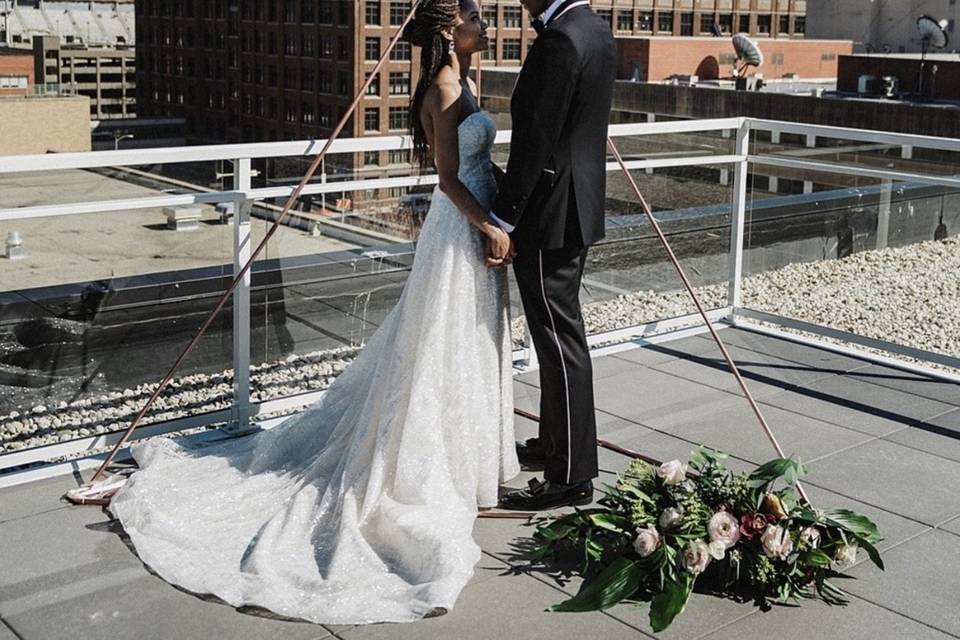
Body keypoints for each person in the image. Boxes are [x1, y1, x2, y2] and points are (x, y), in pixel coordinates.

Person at [108, 0, 518, 624]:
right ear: (448, 31)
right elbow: (446, 180)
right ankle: (424, 472)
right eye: (475, 17)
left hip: (482, 220)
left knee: (469, 343)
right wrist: (488, 224)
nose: (486, 25)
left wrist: (503, 209)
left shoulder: (465, 79)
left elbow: (479, 160)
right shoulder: (440, 90)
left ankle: (465, 467)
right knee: (440, 341)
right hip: (459, 228)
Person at [491, 0, 616, 511]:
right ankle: (552, 446)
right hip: (576, 205)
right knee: (556, 337)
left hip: (551, 215)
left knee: (560, 342)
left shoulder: (561, 39)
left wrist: (503, 218)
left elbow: (537, 140)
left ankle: (570, 476)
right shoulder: (596, 27)